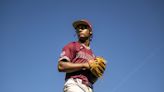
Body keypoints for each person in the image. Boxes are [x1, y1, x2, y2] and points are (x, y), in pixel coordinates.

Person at [58, 19, 98, 92]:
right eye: (78, 29)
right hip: (74, 84)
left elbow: (92, 79)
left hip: (89, 87)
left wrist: (96, 74)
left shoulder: (93, 55)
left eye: (83, 28)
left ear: (90, 31)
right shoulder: (72, 45)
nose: (79, 30)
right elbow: (61, 66)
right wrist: (84, 65)